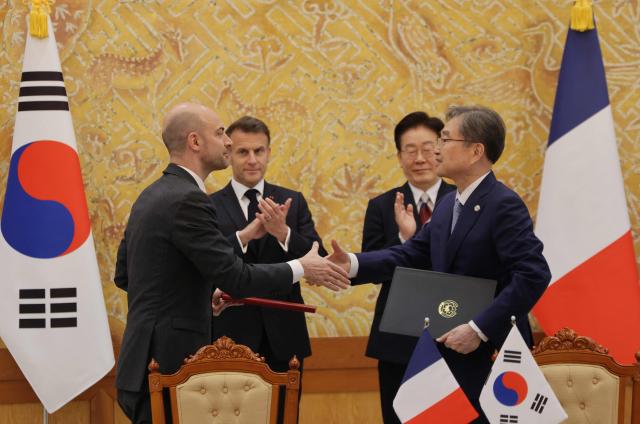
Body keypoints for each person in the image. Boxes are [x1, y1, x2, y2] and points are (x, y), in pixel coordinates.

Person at [113, 103, 349, 424]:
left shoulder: (152, 194)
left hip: (145, 360)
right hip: (167, 363)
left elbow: (127, 275)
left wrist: (198, 294)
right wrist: (302, 267)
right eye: (220, 133)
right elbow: (235, 277)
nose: (227, 142)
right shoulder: (189, 198)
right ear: (195, 142)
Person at [329, 105, 550, 423]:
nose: (436, 148)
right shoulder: (449, 204)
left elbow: (534, 274)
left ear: (475, 151)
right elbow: (408, 255)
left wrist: (479, 329)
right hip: (449, 353)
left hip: (492, 357)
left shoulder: (503, 204)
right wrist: (349, 263)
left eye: (445, 139)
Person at [357, 111, 455, 424]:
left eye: (428, 148)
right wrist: (404, 239)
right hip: (397, 333)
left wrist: (415, 239)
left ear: (441, 150)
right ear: (399, 156)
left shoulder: (463, 201)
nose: (420, 158)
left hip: (453, 328)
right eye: (410, 150)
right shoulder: (381, 206)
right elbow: (372, 269)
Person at [210, 115, 320, 376]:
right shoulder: (209, 205)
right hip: (229, 336)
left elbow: (319, 258)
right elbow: (207, 264)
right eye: (242, 152)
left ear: (269, 153)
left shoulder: (293, 200)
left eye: (259, 151)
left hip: (285, 336)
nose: (252, 159)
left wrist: (284, 233)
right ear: (228, 153)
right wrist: (245, 236)